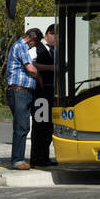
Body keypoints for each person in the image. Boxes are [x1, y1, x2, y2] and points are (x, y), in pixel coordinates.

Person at [4, 28, 42, 169]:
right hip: (19, 91)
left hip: (22, 92)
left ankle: (19, 158)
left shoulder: (20, 46)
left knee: (24, 125)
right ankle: (17, 160)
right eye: (35, 43)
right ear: (32, 38)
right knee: (21, 126)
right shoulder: (20, 46)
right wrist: (39, 78)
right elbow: (30, 69)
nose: (33, 46)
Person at [30, 25, 57, 168]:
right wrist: (51, 68)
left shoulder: (54, 51)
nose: (58, 40)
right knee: (39, 125)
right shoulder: (37, 48)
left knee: (48, 126)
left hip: (51, 91)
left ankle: (44, 156)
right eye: (57, 37)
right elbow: (32, 65)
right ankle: (36, 157)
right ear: (50, 34)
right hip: (40, 91)